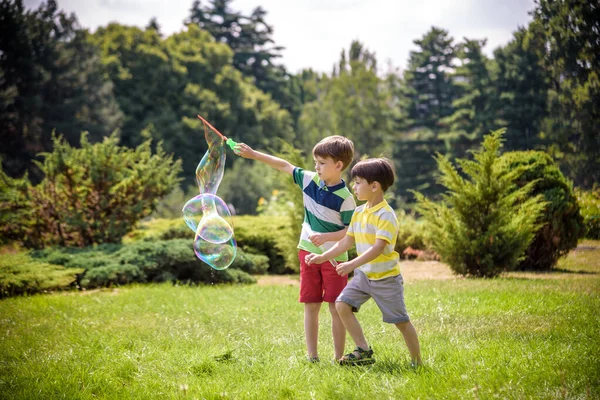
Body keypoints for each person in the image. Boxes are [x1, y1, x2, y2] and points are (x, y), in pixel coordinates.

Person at [233, 136, 356, 362]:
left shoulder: (346, 199)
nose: (316, 167)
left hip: (335, 259)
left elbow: (351, 233)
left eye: (322, 163)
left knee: (336, 307)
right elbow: (283, 165)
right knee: (311, 305)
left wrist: (327, 236)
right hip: (307, 254)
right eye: (315, 162)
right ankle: (312, 357)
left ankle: (339, 357)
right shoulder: (308, 180)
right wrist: (254, 154)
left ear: (339, 165)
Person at [306, 158, 421, 366]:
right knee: (342, 305)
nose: (353, 186)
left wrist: (351, 264)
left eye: (358, 182)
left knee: (401, 321)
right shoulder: (359, 213)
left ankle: (417, 361)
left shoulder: (386, 215)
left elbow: (378, 248)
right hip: (363, 277)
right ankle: (363, 349)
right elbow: (346, 241)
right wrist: (322, 257)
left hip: (386, 279)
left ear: (374, 186)